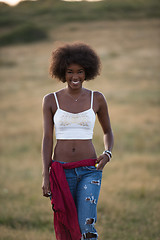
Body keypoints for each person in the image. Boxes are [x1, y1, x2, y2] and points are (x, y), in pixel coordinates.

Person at [41, 42, 114, 240]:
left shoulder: (96, 98)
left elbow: (108, 131)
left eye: (80, 71)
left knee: (86, 228)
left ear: (87, 72)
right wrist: (45, 175)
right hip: (61, 171)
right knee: (68, 226)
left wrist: (107, 153)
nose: (75, 77)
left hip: (89, 170)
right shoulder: (50, 100)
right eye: (69, 72)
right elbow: (47, 138)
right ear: (61, 73)